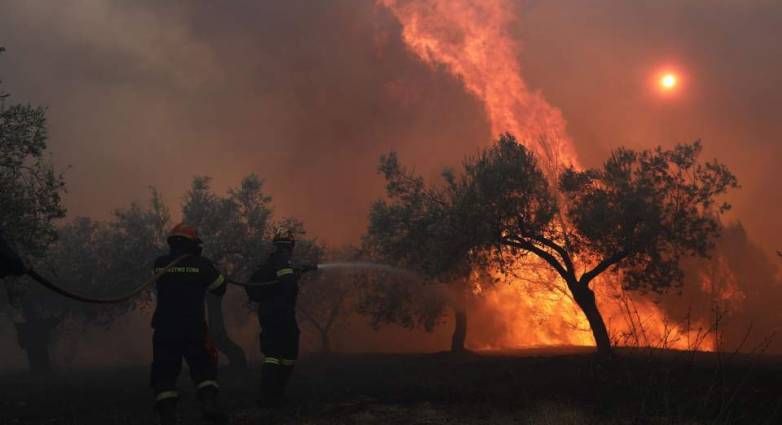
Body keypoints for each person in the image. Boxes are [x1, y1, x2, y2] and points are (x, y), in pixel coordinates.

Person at [150, 223, 227, 425]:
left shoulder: (160, 263)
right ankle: (209, 405)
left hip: (165, 328)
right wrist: (205, 265)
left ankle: (168, 414)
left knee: (164, 371)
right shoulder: (202, 264)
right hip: (193, 327)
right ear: (193, 244)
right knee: (203, 368)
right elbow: (219, 287)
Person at [245, 226, 315, 408]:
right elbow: (288, 284)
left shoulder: (272, 262)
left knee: (274, 352)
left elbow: (283, 278)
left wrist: (298, 271)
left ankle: (271, 395)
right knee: (286, 351)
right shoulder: (284, 260)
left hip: (268, 312)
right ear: (290, 245)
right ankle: (272, 395)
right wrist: (296, 274)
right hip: (281, 311)